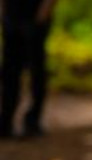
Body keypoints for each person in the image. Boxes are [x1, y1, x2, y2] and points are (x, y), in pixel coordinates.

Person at [0, 0, 58, 138]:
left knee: (36, 70)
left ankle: (33, 121)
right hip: (12, 17)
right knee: (10, 70)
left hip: (35, 17)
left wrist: (42, 14)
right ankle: (6, 120)